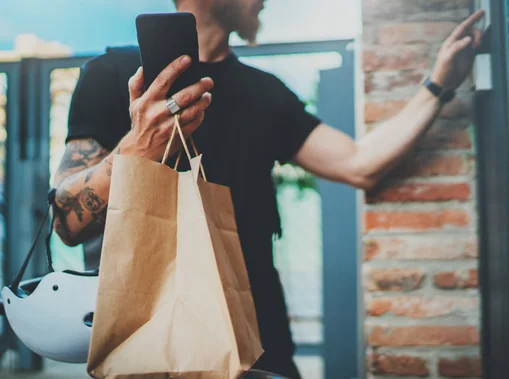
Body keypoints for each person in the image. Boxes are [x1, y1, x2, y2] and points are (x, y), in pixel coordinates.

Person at [51, 0, 484, 377]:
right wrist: (137, 149)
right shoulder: (111, 74)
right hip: (151, 338)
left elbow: (360, 165)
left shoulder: (266, 92)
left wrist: (438, 84)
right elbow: (67, 222)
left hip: (257, 332)